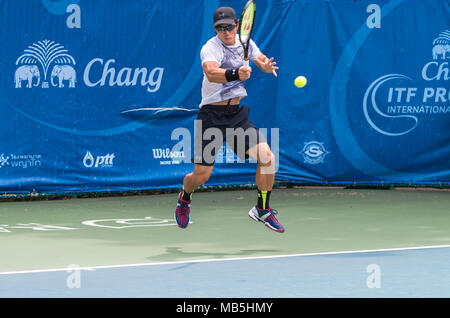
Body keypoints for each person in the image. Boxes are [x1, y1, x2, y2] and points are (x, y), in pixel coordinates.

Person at [175, 6, 284, 233]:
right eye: (220, 28)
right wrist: (235, 74)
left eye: (229, 26)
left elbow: (262, 60)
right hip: (211, 117)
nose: (226, 31)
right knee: (201, 175)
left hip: (235, 116)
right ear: (215, 29)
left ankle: (262, 209)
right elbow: (211, 73)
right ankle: (185, 197)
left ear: (237, 25)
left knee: (267, 157)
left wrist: (263, 65)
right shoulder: (210, 48)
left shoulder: (246, 43)